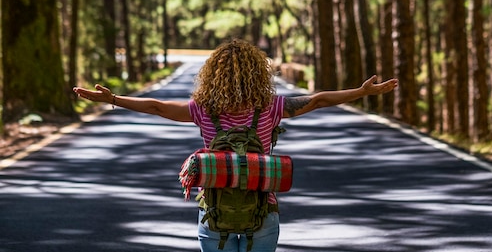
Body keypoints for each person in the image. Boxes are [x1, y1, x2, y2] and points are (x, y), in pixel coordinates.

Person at [73, 39, 398, 252]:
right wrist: (360, 92)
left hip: (214, 212)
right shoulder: (272, 107)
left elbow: (156, 106)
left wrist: (114, 99)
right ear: (258, 74)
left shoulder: (202, 110)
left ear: (212, 75)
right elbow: (317, 100)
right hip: (263, 211)